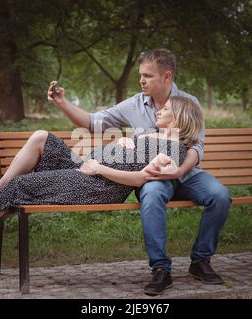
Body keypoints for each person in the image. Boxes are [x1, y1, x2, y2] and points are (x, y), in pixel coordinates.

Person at [45, 48, 231, 296]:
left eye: (148, 76)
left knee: (220, 195)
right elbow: (92, 122)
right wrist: (63, 103)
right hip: (152, 175)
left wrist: (178, 171)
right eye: (140, 75)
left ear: (167, 77)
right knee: (152, 196)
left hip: (186, 174)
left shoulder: (188, 102)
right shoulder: (134, 104)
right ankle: (161, 270)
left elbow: (196, 145)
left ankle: (200, 261)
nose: (141, 80)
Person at [0, 96, 202, 260]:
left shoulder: (173, 148)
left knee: (22, 185)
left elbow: (140, 178)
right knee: (42, 137)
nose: (158, 110)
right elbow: (131, 152)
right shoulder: (150, 135)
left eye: (165, 110)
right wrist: (127, 142)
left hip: (97, 185)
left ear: (177, 119)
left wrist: (99, 169)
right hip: (82, 166)